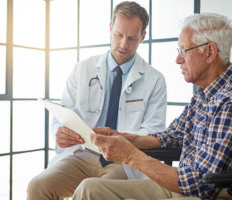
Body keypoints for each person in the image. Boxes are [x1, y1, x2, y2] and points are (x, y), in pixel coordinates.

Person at [71, 13, 232, 200]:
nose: (178, 59)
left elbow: (202, 185)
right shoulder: (204, 96)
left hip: (221, 194)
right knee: (90, 189)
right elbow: (170, 137)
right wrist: (123, 137)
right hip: (187, 189)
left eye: (184, 51)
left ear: (209, 52)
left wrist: (130, 155)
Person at [27, 1, 167, 199]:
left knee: (92, 190)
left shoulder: (155, 80)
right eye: (119, 35)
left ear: (143, 37)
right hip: (82, 155)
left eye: (132, 38)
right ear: (110, 28)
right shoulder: (82, 69)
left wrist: (120, 139)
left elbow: (154, 132)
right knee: (38, 186)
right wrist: (62, 134)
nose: (123, 44)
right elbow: (64, 115)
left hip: (124, 161)